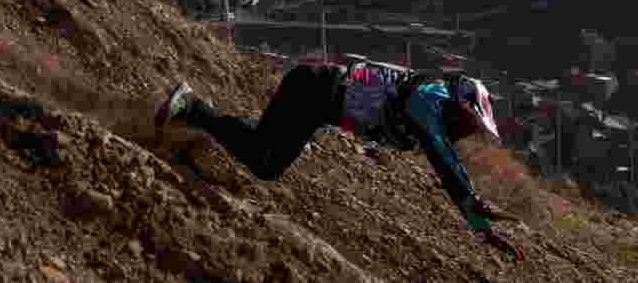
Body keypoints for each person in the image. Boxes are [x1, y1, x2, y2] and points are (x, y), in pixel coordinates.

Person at [156, 58, 524, 261]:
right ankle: (192, 109)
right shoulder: (430, 98)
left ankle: (198, 118)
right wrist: (471, 203)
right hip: (315, 89)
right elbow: (441, 155)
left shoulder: (435, 108)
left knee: (266, 150)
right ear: (458, 105)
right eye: (468, 121)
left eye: (472, 127)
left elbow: (443, 154)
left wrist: (477, 221)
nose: (466, 130)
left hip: (318, 96)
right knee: (266, 164)